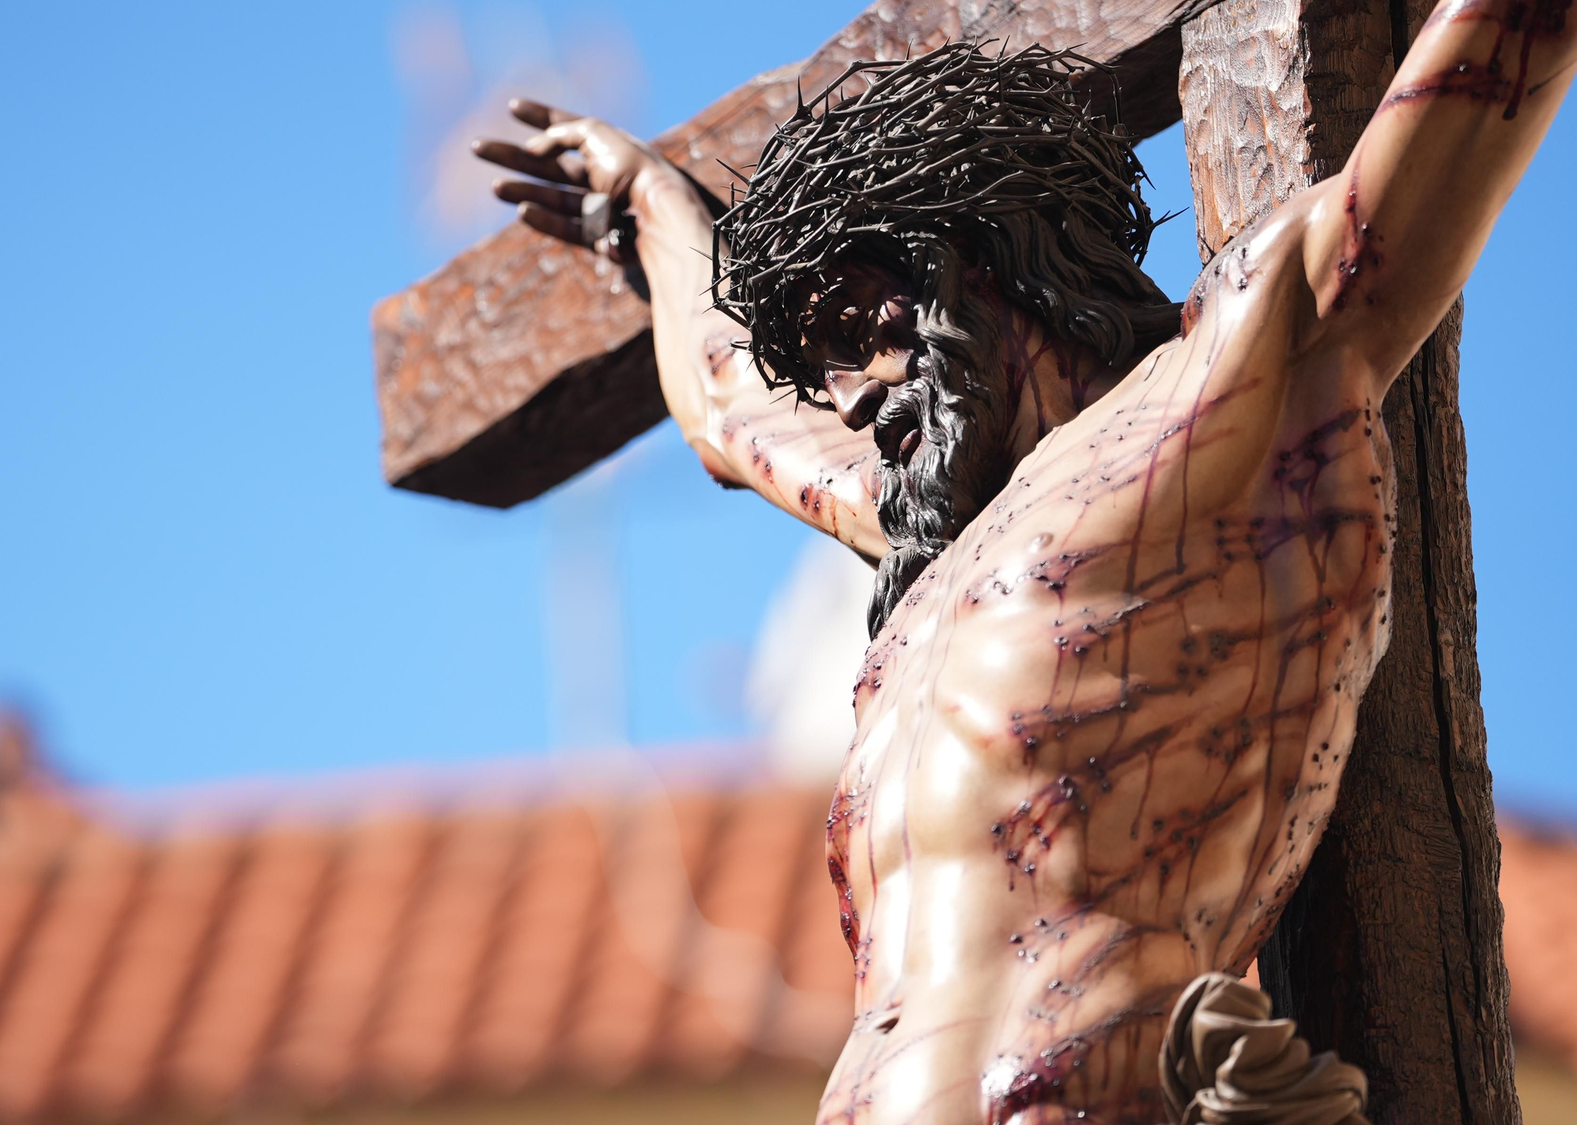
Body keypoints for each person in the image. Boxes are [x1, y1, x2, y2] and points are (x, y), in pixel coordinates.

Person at [474, 5, 1571, 1121]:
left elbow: (1470, 94)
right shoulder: (932, 541)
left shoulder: (1214, 405)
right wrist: (651, 208)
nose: (845, 401)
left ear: (972, 259)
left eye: (854, 327)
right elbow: (732, 413)